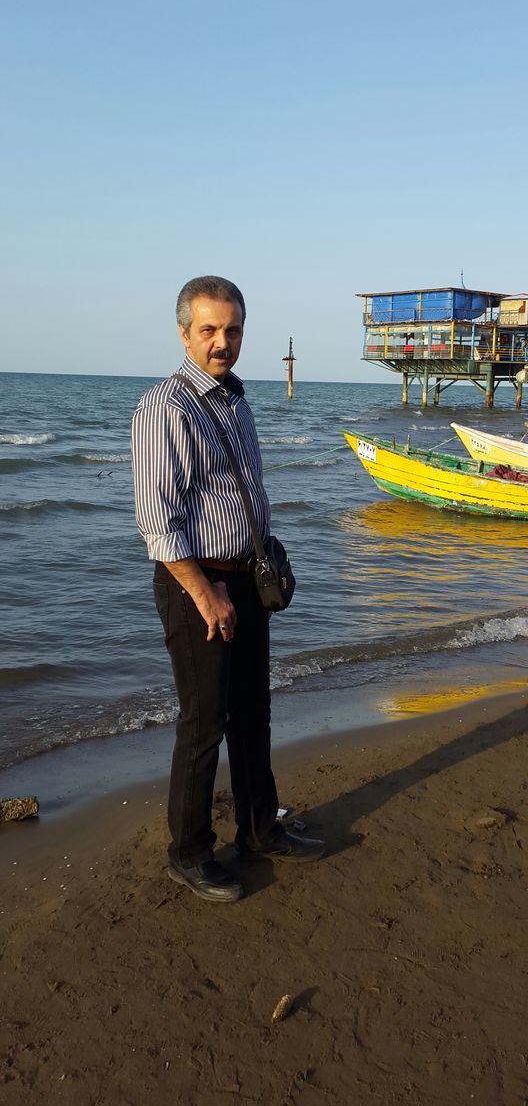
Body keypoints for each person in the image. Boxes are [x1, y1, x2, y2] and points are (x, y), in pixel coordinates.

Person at [131, 275, 324, 903]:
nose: (222, 342)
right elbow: (157, 520)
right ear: (184, 332)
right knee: (204, 722)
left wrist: (264, 558)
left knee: (253, 715)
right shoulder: (166, 408)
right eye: (209, 330)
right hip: (197, 585)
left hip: (244, 579)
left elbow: (243, 492)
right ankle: (187, 853)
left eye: (232, 330)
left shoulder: (234, 399)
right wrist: (205, 593)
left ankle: (259, 831)